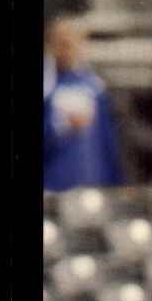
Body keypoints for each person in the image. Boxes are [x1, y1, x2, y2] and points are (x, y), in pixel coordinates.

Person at [43, 16, 125, 192]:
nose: (66, 50)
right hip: (54, 183)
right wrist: (61, 127)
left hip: (91, 181)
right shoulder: (47, 87)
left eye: (71, 43)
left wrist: (118, 182)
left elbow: (108, 141)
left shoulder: (95, 87)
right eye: (61, 43)